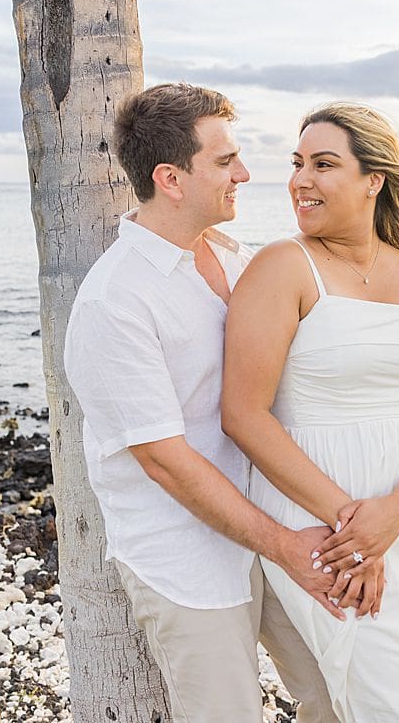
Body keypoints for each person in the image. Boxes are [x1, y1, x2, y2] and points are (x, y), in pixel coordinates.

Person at [63, 83, 341, 723]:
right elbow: (164, 459)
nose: (245, 174)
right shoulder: (117, 301)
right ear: (171, 178)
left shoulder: (238, 260)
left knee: (342, 695)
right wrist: (283, 545)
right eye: (224, 162)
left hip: (276, 529)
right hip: (185, 554)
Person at [221, 102, 399, 722]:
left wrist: (393, 516)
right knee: (384, 695)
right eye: (297, 164)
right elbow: (243, 415)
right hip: (322, 521)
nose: (301, 180)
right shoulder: (283, 266)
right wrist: (352, 532)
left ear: (374, 179)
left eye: (324, 164)